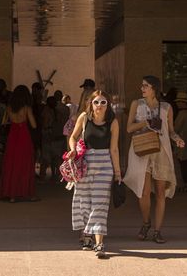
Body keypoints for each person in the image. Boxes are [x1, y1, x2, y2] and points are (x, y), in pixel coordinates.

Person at [125, 75, 185, 244]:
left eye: (146, 86)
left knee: (160, 193)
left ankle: (157, 230)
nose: (142, 88)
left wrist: (177, 139)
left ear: (154, 88)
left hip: (161, 152)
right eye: (142, 85)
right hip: (142, 151)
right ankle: (146, 222)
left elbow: (171, 130)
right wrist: (146, 122)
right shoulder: (136, 104)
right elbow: (129, 127)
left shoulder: (166, 107)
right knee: (143, 192)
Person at [68, 90, 121, 258]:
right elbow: (73, 137)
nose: (99, 105)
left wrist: (118, 172)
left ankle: (99, 243)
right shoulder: (84, 118)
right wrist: (72, 150)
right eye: (96, 102)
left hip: (104, 164)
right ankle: (86, 236)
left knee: (100, 204)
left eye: (103, 102)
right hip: (84, 164)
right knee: (84, 202)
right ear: (90, 103)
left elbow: (114, 149)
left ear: (108, 105)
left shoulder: (113, 122)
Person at [0, 85, 38, 202]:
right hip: (23, 136)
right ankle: (27, 194)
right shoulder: (27, 108)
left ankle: (12, 195)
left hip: (12, 135)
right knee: (25, 164)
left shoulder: (9, 108)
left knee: (11, 164)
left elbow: (4, 122)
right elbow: (34, 125)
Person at [40, 96, 67, 181]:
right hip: (56, 138)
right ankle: (56, 175)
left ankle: (43, 176)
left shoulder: (46, 112)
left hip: (49, 137)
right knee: (56, 158)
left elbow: (45, 124)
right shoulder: (58, 112)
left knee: (46, 158)